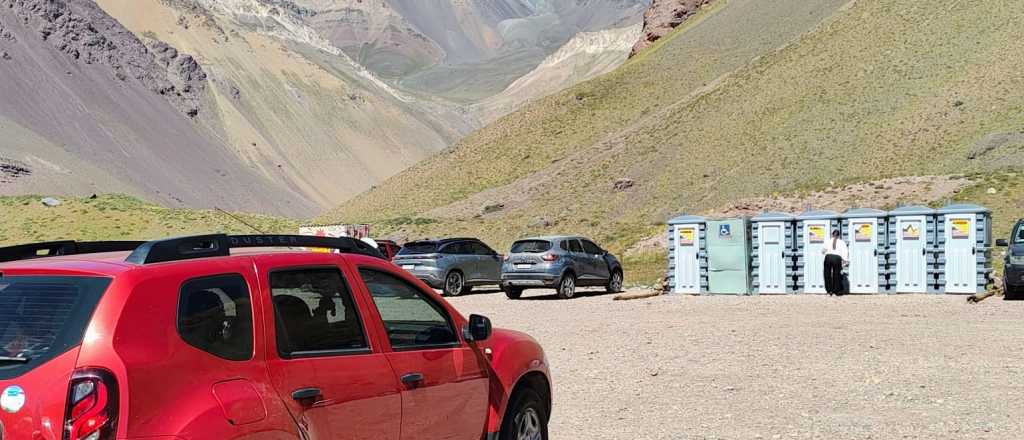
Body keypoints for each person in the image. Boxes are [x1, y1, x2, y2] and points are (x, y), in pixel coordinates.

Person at [822, 229, 849, 296]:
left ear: (832, 234)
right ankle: (836, 291)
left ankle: (829, 291)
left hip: (828, 257)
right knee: (837, 275)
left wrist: (825, 252)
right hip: (837, 258)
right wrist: (845, 260)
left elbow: (823, 251)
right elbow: (845, 251)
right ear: (839, 235)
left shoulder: (827, 241)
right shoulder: (842, 242)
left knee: (827, 274)